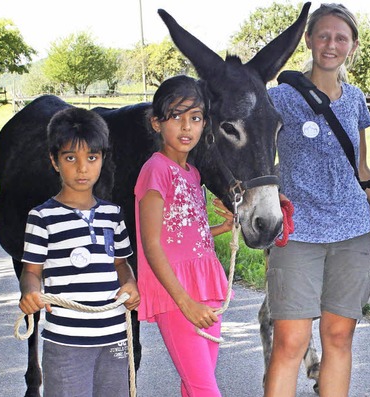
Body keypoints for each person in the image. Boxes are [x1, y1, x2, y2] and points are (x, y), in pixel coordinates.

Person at [263, 3, 370, 397]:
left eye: (341, 38)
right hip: (297, 232)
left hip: (353, 233)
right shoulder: (278, 98)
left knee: (338, 337)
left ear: (353, 46)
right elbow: (253, 155)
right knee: (291, 343)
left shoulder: (356, 100)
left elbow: (362, 170)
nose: (332, 44)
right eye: (324, 35)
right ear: (310, 39)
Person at [18, 106, 140, 396]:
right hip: (66, 344)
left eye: (92, 157)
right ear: (54, 161)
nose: (82, 168)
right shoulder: (42, 217)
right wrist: (30, 292)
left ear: (102, 160)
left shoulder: (112, 213)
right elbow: (31, 272)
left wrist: (130, 283)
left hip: (114, 338)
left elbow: (121, 263)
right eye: (71, 158)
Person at [134, 75, 234, 397]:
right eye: (175, 117)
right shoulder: (156, 169)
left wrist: (223, 227)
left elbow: (184, 233)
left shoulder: (193, 174)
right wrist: (185, 302)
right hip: (177, 293)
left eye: (195, 118)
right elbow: (152, 245)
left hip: (207, 285)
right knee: (206, 389)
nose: (186, 127)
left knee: (195, 386)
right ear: (156, 123)